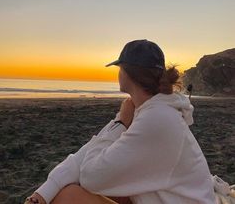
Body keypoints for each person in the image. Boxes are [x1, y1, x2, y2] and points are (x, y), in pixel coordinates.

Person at [24, 39, 216, 204]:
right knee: (86, 188)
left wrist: (121, 122)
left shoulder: (157, 118)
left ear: (128, 73)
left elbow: (91, 177)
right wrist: (41, 194)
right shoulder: (150, 110)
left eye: (119, 68)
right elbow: (90, 149)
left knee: (70, 196)